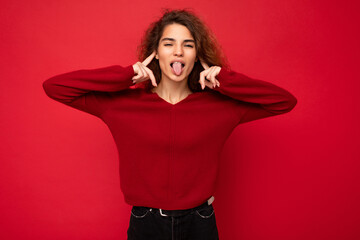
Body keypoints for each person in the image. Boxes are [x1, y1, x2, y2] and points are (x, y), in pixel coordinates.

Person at [43, 8, 297, 240]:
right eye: (169, 43)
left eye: (188, 45)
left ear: (197, 55)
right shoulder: (121, 105)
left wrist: (226, 80)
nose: (178, 51)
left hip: (200, 223)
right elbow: (55, 87)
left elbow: (283, 101)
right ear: (156, 52)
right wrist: (124, 76)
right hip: (146, 224)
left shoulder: (220, 106)